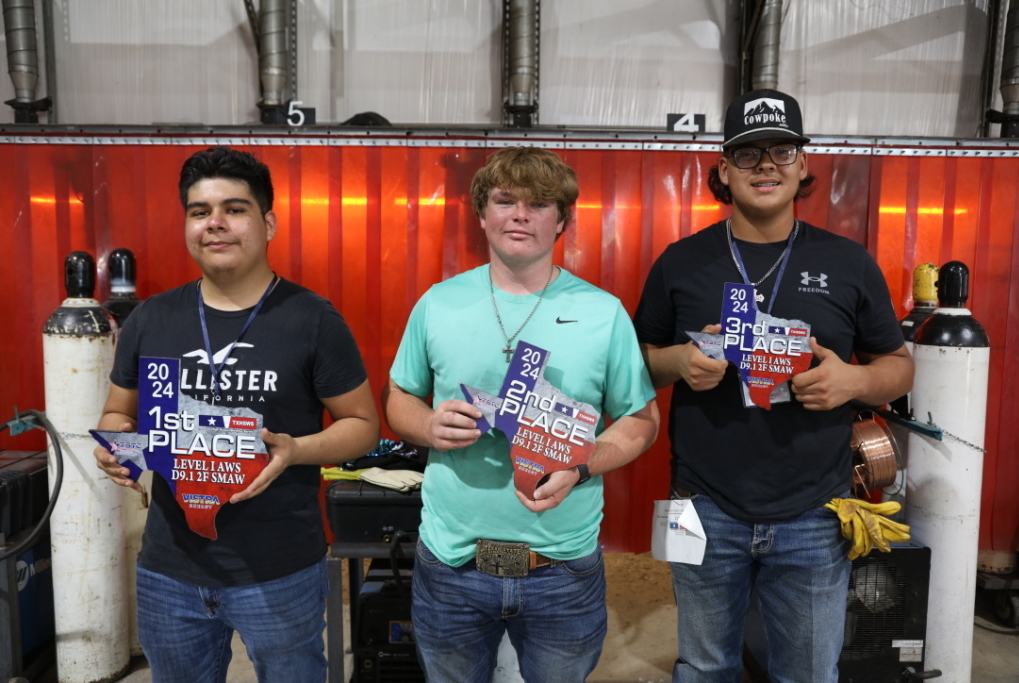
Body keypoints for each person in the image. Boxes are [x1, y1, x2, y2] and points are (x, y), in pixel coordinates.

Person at [633, 89, 914, 683]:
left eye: (782, 150)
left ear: (804, 165)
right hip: (702, 505)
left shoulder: (848, 262)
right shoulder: (681, 262)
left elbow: (898, 365)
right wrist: (678, 361)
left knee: (810, 673)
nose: (766, 164)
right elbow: (636, 361)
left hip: (815, 509)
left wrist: (853, 381)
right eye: (749, 152)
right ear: (724, 171)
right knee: (705, 667)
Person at [93, 146, 379, 682]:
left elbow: (363, 427)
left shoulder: (312, 319)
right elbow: (116, 412)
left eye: (235, 209)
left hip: (279, 570)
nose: (215, 224)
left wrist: (298, 449)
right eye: (200, 212)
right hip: (170, 569)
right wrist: (117, 447)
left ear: (267, 222)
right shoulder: (152, 319)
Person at [382, 146, 659, 683]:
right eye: (506, 200)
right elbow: (399, 400)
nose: (520, 215)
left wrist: (584, 463)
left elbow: (641, 420)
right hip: (452, 563)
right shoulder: (438, 304)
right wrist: (427, 425)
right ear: (481, 213)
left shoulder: (603, 314)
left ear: (562, 221)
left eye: (539, 204)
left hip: (562, 567)